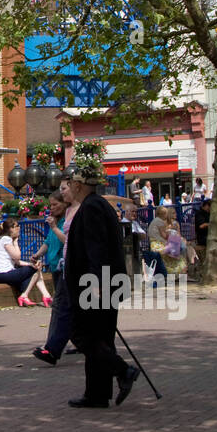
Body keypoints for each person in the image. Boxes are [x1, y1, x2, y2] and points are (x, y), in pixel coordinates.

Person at [64, 164, 140, 407]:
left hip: (96, 285)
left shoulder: (91, 208)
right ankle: (97, 394)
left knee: (81, 334)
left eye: (70, 185)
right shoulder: (99, 205)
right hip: (106, 283)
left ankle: (122, 370)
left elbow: (96, 248)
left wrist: (95, 283)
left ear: (78, 185)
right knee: (101, 338)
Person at [32, 186, 77, 366]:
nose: (51, 208)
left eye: (54, 204)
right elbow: (48, 242)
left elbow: (67, 241)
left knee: (60, 307)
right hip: (56, 268)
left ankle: (52, 346)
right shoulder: (56, 221)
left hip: (64, 266)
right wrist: (38, 254)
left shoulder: (65, 221)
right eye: (50, 205)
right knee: (67, 308)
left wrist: (53, 227)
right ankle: (75, 341)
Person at [0, 218, 50, 306]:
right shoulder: (6, 239)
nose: (19, 228)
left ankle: (46, 296)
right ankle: (24, 296)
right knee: (35, 270)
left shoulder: (2, 239)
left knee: (35, 269)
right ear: (11, 229)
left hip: (3, 274)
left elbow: (17, 261)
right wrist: (15, 242)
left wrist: (30, 264)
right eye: (17, 226)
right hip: (4, 274)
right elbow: (17, 256)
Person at [193, 197, 211, 267]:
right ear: (206, 206)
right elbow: (201, 226)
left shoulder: (209, 214)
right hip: (203, 237)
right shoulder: (199, 214)